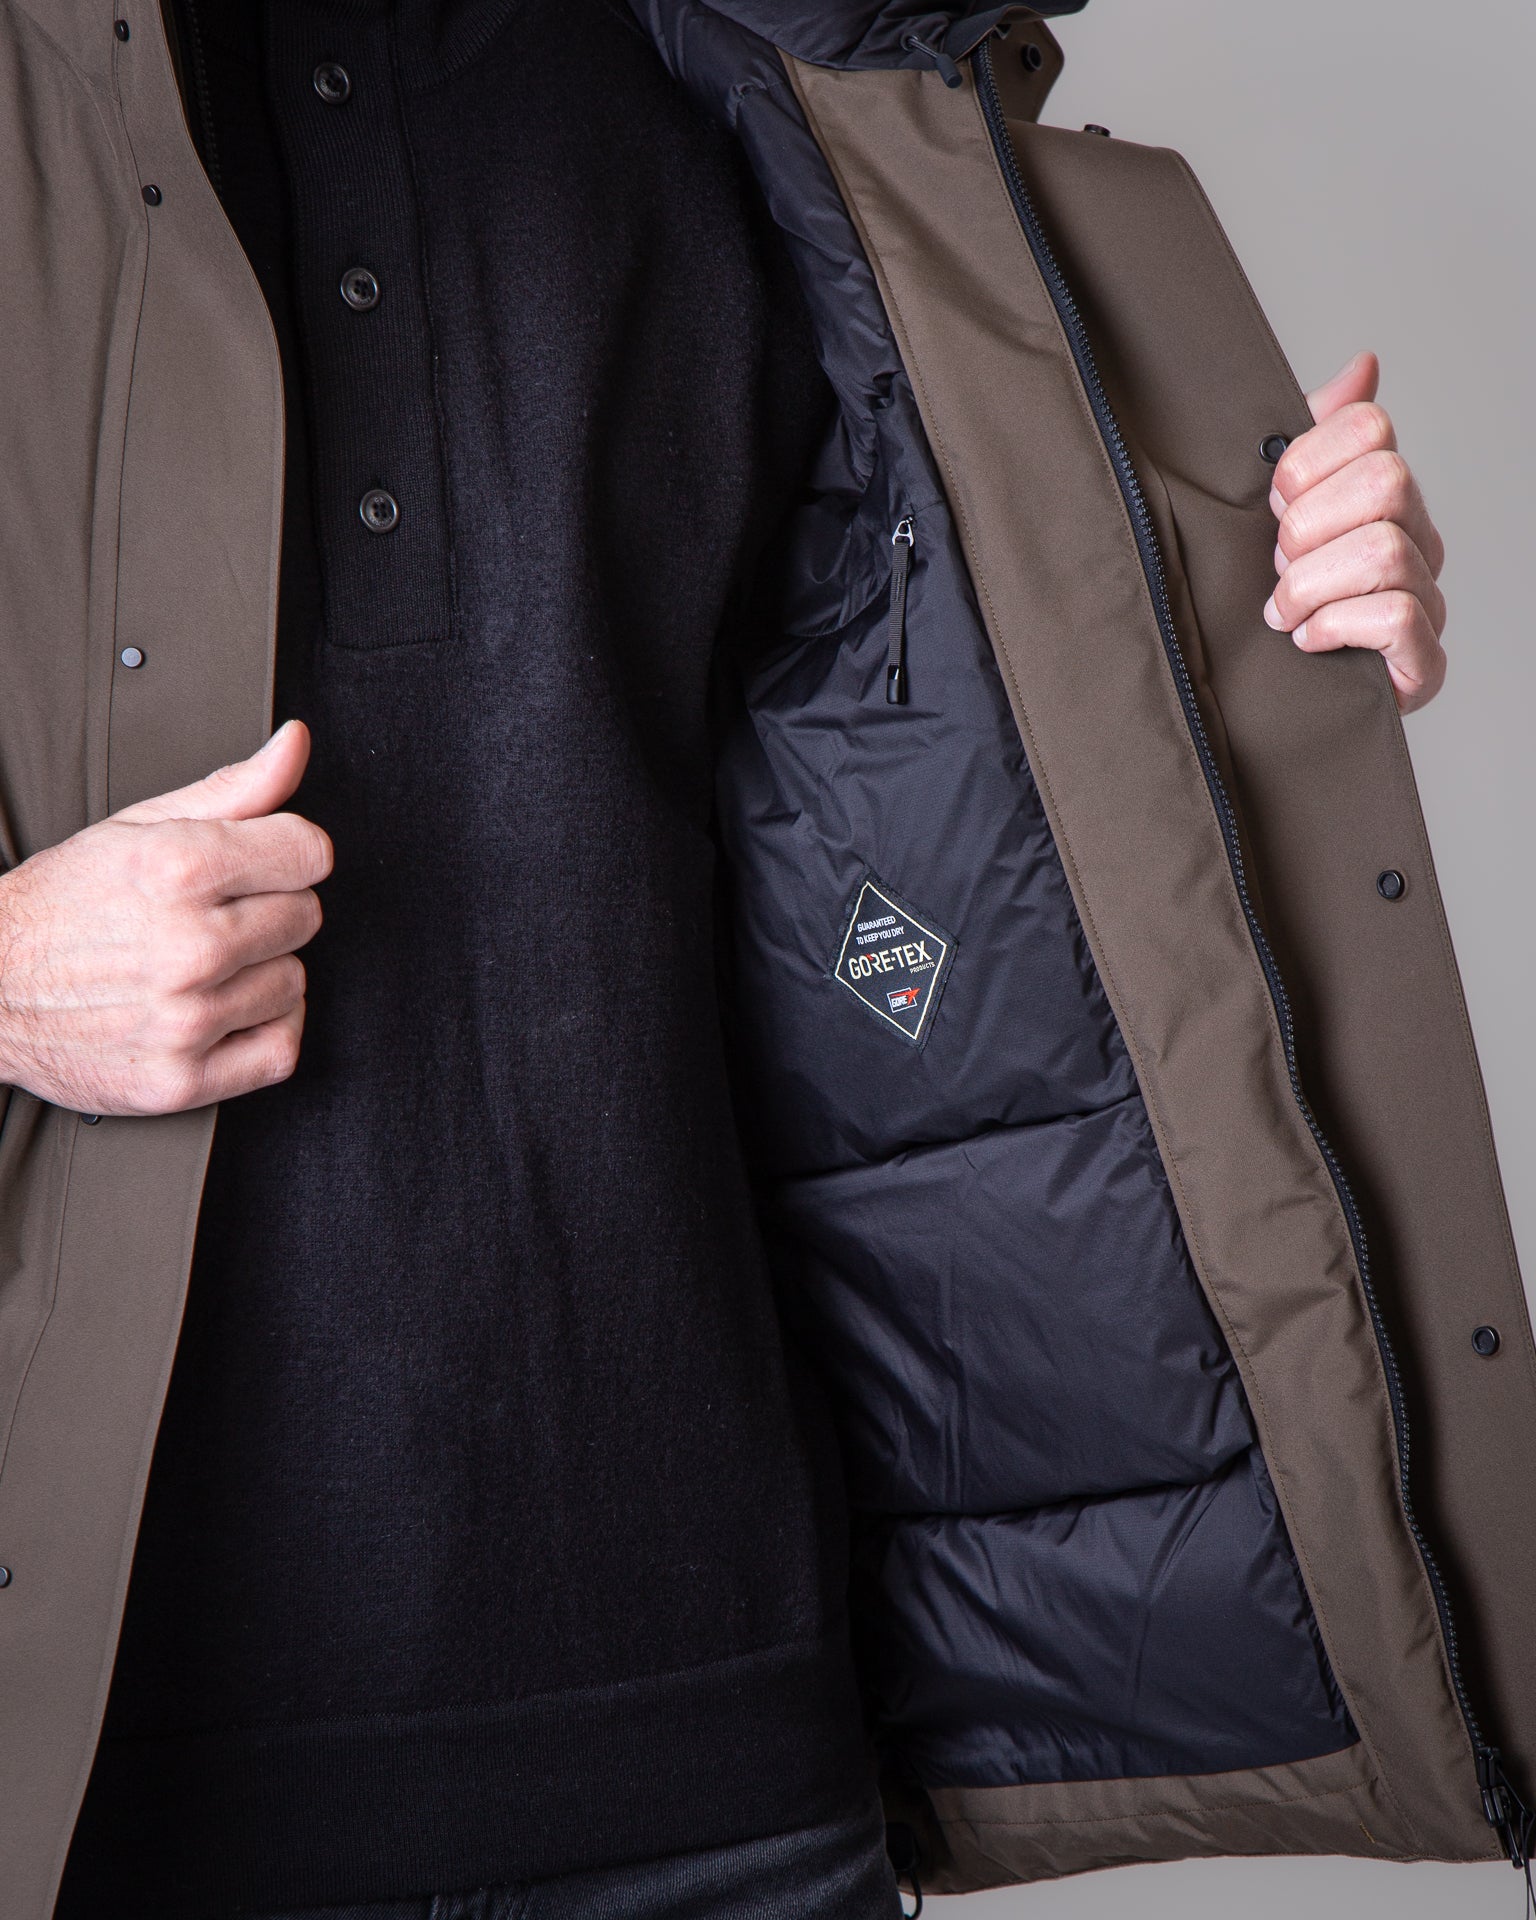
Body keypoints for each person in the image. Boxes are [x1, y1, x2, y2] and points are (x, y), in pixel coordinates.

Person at [0, 3, 1448, 1915]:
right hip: (108, 1793)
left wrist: (1264, 640)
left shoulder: (761, 56)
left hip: (734, 1773)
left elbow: (935, 794)